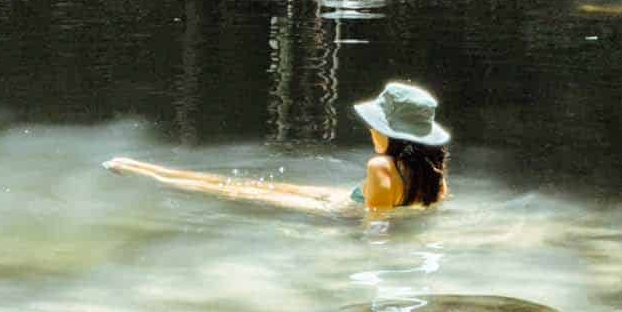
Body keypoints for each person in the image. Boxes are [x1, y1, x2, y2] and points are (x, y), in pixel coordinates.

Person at [106, 80, 450, 217]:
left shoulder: (380, 167)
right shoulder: (433, 171)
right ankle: (141, 169)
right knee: (248, 187)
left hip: (344, 209)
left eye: (376, 126)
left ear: (393, 135)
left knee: (235, 191)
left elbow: (373, 219)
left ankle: (142, 171)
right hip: (345, 198)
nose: (371, 131)